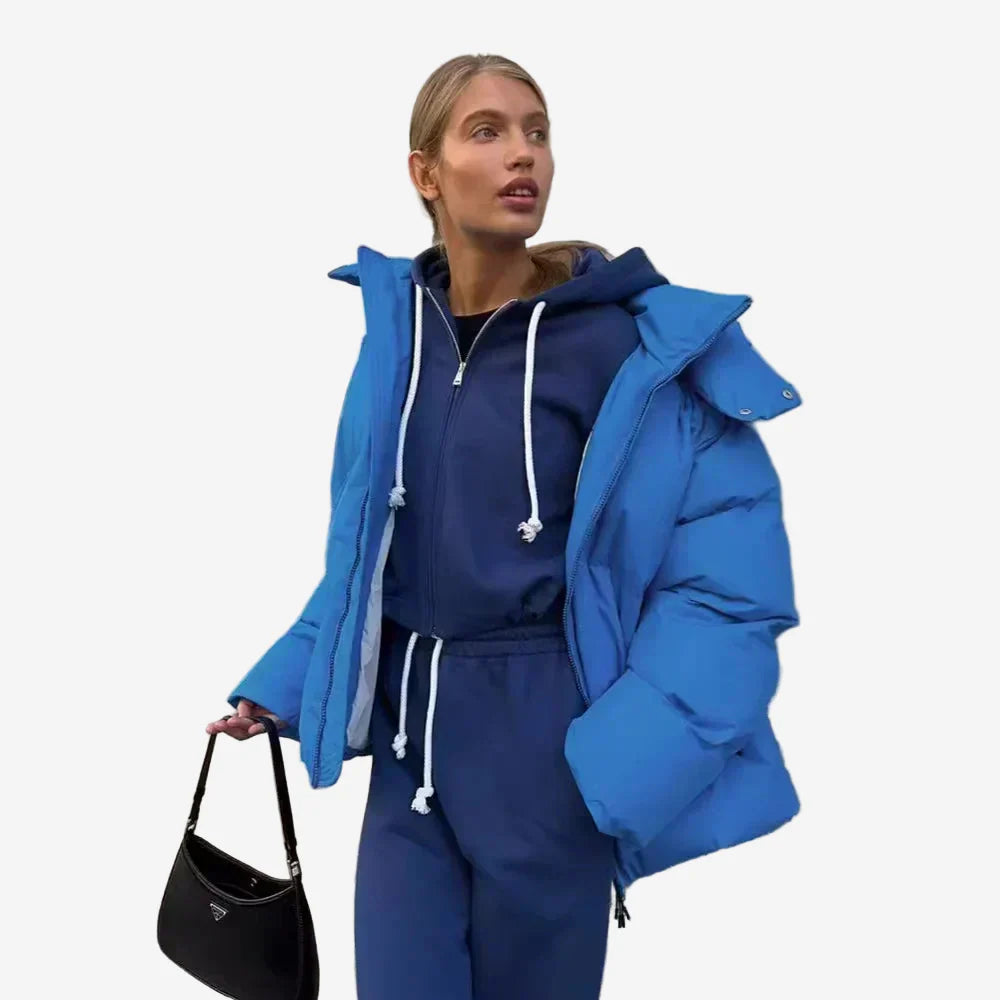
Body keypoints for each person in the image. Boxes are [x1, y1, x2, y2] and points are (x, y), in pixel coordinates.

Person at [207, 53, 802, 1000]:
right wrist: (283, 686)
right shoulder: (397, 342)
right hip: (410, 751)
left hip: (551, 750)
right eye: (486, 132)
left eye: (537, 131)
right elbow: (366, 555)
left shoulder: (634, 352)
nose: (523, 153)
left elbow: (727, 588)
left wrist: (616, 762)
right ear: (426, 172)